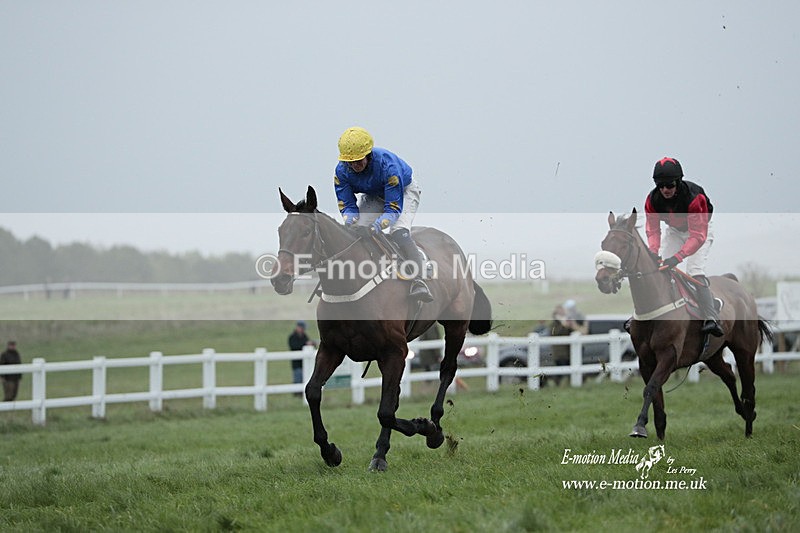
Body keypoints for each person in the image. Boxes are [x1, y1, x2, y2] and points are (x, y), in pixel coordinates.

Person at [333, 126, 433, 303]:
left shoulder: (388, 167)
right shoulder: (341, 172)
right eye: (350, 162)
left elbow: (392, 209)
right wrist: (351, 223)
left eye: (359, 160)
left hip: (403, 192)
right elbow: (347, 205)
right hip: (374, 195)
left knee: (398, 232)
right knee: (355, 232)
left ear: (368, 155)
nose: (354, 166)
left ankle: (418, 279)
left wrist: (376, 227)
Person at [645, 156, 723, 336]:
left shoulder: (694, 198)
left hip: (699, 230)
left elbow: (697, 236)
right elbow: (653, 231)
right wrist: (653, 252)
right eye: (660, 186)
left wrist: (677, 257)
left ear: (678, 182)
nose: (665, 190)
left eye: (670, 185)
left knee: (694, 270)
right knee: (660, 268)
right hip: (674, 230)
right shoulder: (652, 200)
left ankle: (711, 315)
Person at [288, 321, 313, 387]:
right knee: (297, 381)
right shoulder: (292, 337)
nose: (303, 330)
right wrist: (305, 344)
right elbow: (294, 346)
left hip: (304, 363)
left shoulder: (304, 336)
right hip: (296, 364)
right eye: (302, 328)